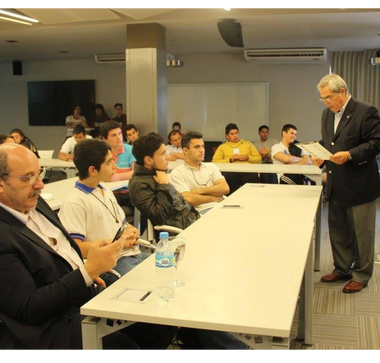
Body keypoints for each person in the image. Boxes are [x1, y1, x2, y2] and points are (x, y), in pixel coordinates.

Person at [0, 143, 177, 352]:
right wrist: (88, 271)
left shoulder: (27, 200)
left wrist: (89, 263)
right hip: (44, 326)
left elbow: (60, 247)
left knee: (161, 321)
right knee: (124, 345)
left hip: (77, 294)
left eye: (39, 173)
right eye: (28, 177)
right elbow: (28, 309)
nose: (40, 184)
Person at [129, 132, 249, 352]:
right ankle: (232, 346)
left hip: (194, 224)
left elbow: (184, 203)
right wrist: (165, 186)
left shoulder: (159, 173)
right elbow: (158, 216)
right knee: (205, 290)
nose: (168, 157)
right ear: (148, 159)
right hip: (179, 237)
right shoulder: (140, 184)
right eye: (163, 153)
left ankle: (226, 325)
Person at [315, 74, 380, 294]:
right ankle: (342, 268)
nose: (326, 102)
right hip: (336, 182)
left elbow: (377, 143)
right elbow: (329, 142)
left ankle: (362, 275)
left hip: (359, 183)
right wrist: (319, 154)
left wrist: (351, 155)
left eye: (328, 97)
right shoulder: (327, 114)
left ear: (342, 92)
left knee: (361, 233)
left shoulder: (365, 111)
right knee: (338, 230)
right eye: (323, 98)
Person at [58, 139, 149, 285]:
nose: (115, 165)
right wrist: (119, 244)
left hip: (131, 255)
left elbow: (122, 225)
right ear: (92, 170)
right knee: (152, 282)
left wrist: (132, 231)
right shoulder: (75, 202)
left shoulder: (105, 190)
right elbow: (76, 248)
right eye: (108, 162)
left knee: (169, 268)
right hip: (111, 266)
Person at [169, 131, 229, 214]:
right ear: (185, 151)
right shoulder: (177, 173)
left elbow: (224, 188)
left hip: (224, 206)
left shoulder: (211, 167)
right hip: (201, 212)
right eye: (197, 147)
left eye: (202, 146)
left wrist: (200, 191)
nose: (202, 150)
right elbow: (188, 198)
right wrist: (214, 198)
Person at [212, 123, 261, 194]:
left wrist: (248, 158)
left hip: (247, 171)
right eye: (232, 134)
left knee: (253, 177)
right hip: (231, 172)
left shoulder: (248, 144)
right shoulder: (222, 147)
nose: (235, 136)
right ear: (227, 136)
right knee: (228, 178)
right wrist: (230, 160)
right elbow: (215, 162)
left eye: (236, 133)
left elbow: (258, 158)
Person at [100, 121, 136, 213]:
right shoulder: (100, 153)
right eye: (113, 135)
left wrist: (117, 177)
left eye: (120, 133)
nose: (119, 137)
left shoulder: (130, 150)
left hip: (128, 192)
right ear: (104, 139)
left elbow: (136, 171)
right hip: (108, 192)